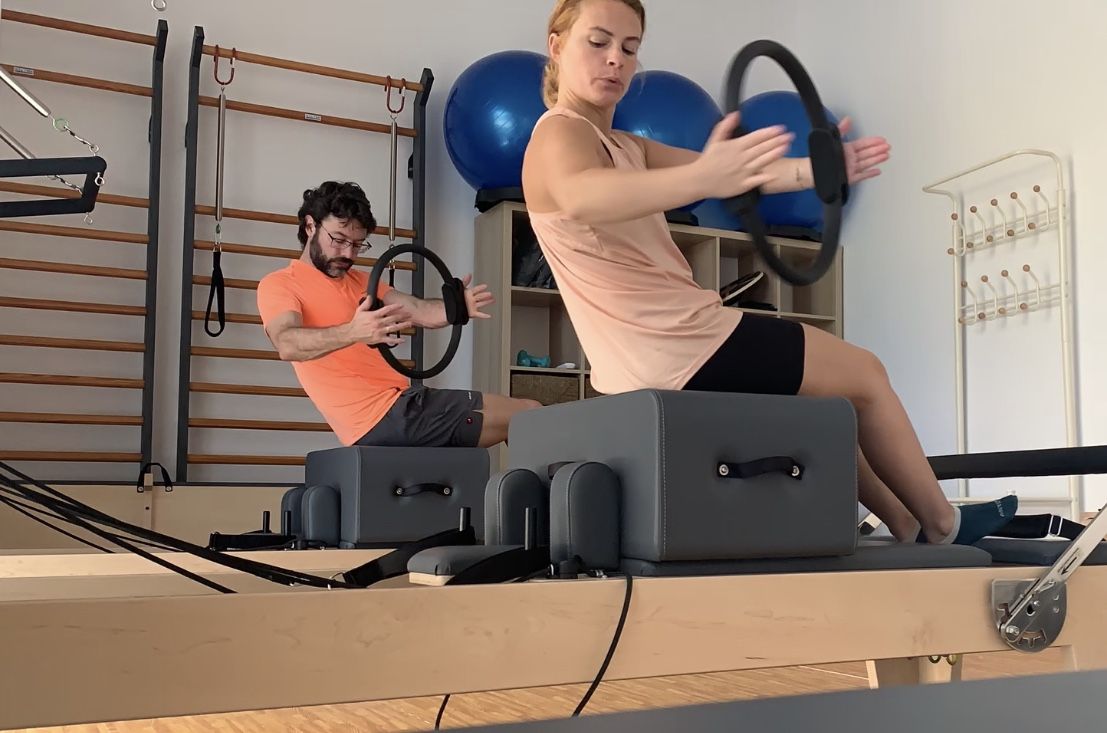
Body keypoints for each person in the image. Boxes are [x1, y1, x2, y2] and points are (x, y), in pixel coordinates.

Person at [521, 0, 1017, 545]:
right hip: (679, 343)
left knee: (824, 404)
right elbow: (583, 195)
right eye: (598, 42)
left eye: (630, 47)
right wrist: (707, 176)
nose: (615, 58)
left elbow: (739, 177)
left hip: (658, 351)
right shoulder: (559, 133)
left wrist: (815, 170)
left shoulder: (625, 146)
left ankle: (906, 523)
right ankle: (944, 523)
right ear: (557, 46)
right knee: (866, 375)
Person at [257, 181, 541, 449]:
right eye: (339, 240)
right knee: (528, 419)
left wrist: (456, 307)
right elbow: (287, 344)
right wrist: (353, 332)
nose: (348, 253)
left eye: (357, 244)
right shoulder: (281, 284)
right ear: (310, 226)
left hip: (405, 402)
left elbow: (421, 312)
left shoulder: (361, 281)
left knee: (531, 412)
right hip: (378, 419)